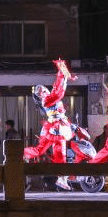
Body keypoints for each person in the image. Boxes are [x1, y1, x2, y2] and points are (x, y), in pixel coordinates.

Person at [23, 59, 76, 190]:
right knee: (52, 151)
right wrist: (64, 77)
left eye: (42, 88)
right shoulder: (46, 100)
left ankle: (62, 178)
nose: (43, 90)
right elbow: (59, 92)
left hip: (55, 126)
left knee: (51, 151)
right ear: (39, 97)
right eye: (39, 91)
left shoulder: (49, 96)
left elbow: (57, 87)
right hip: (54, 128)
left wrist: (61, 71)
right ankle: (21, 153)